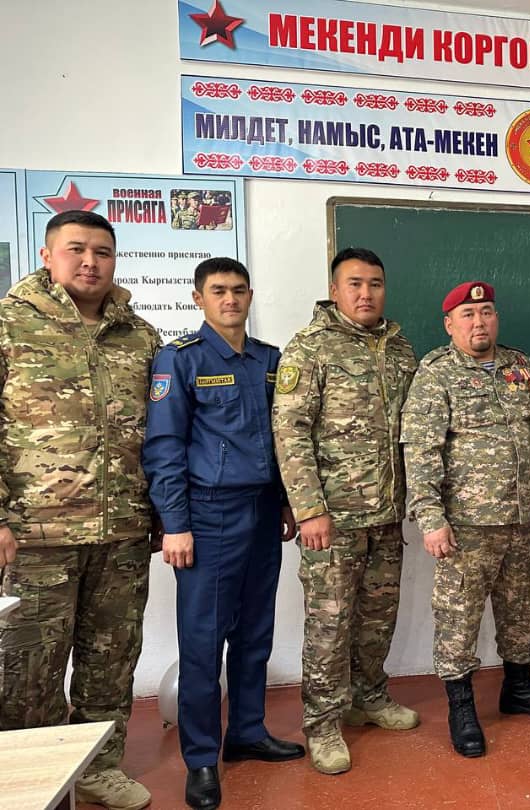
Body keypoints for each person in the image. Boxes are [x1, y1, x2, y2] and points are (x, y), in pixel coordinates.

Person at [0, 210, 160, 810]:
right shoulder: (10, 325)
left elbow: (162, 434)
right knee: (29, 666)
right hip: (36, 533)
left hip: (122, 530)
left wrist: (163, 512)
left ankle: (98, 767)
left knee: (111, 657)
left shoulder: (140, 336)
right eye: (76, 249)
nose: (90, 262)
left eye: (102, 252)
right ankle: (27, 776)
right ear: (47, 256)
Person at [142, 258, 303, 809]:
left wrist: (286, 501)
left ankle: (248, 732)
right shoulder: (180, 358)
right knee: (204, 642)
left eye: (238, 290)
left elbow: (284, 440)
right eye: (218, 291)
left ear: (250, 295)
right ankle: (202, 759)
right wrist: (176, 523)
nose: (230, 300)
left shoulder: (270, 360)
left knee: (255, 632)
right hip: (209, 515)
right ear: (199, 298)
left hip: (262, 510)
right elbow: (164, 447)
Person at [401, 281, 530, 758]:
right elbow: (421, 450)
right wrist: (431, 518)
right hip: (465, 526)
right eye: (468, 315)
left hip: (518, 520)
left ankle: (518, 687)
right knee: (459, 618)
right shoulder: (436, 373)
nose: (479, 322)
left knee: (522, 609)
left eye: (487, 312)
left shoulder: (520, 367)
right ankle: (461, 706)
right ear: (449, 325)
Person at [272, 247, 418, 775]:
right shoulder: (310, 347)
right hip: (333, 518)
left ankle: (368, 697)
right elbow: (290, 431)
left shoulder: (400, 349)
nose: (366, 293)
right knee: (329, 625)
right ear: (335, 291)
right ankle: (323, 722)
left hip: (388, 513)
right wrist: (310, 508)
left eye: (375, 283)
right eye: (354, 284)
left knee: (378, 617)